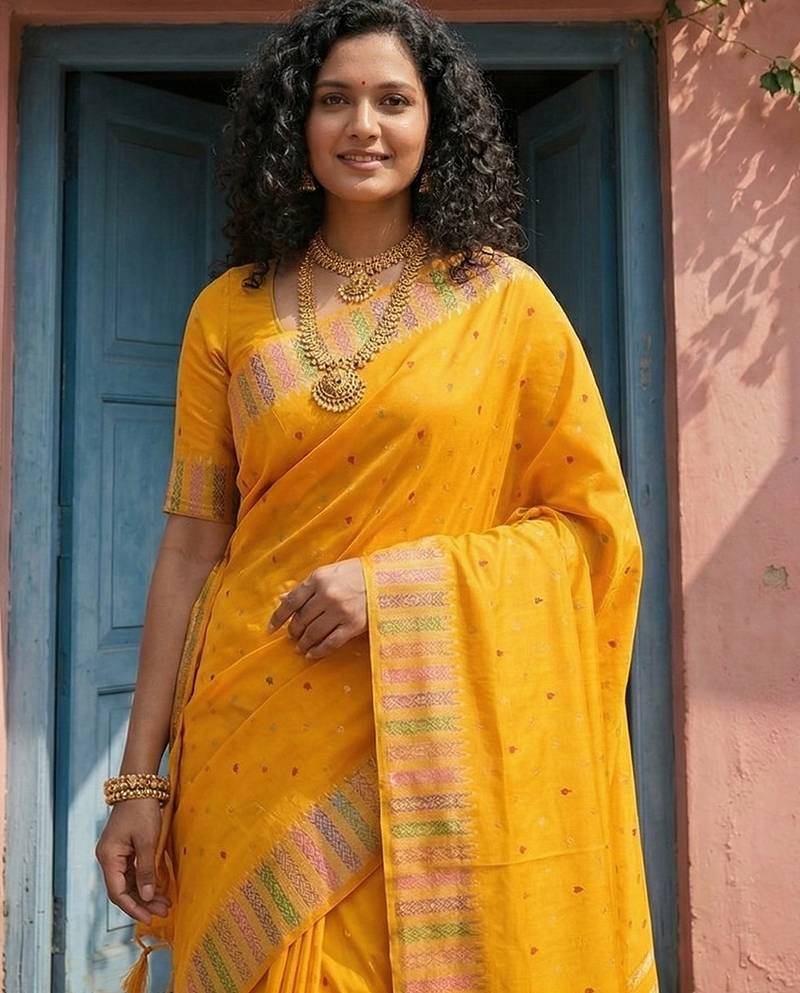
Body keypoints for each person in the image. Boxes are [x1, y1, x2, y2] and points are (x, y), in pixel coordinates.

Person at [95, 0, 661, 991]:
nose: (364, 126)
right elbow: (189, 548)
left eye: (393, 101)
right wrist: (140, 780)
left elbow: (590, 531)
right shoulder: (226, 312)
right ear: (296, 123)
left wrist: (398, 587)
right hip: (253, 732)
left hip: (433, 742)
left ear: (434, 124)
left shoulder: (508, 303)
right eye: (334, 100)